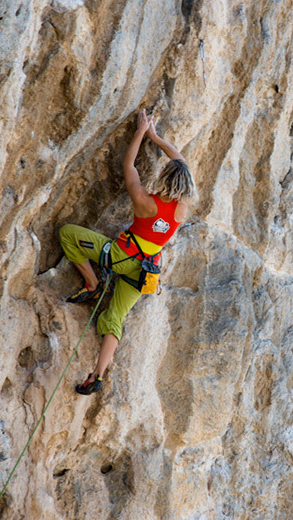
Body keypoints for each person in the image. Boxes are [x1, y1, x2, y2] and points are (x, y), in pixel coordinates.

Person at [58, 109, 196, 395]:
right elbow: (179, 158)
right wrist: (156, 137)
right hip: (145, 272)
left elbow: (128, 164)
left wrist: (141, 132)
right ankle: (97, 375)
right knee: (113, 319)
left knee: (67, 234)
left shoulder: (146, 202)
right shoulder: (182, 210)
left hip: (119, 256)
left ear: (166, 177)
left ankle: (93, 283)